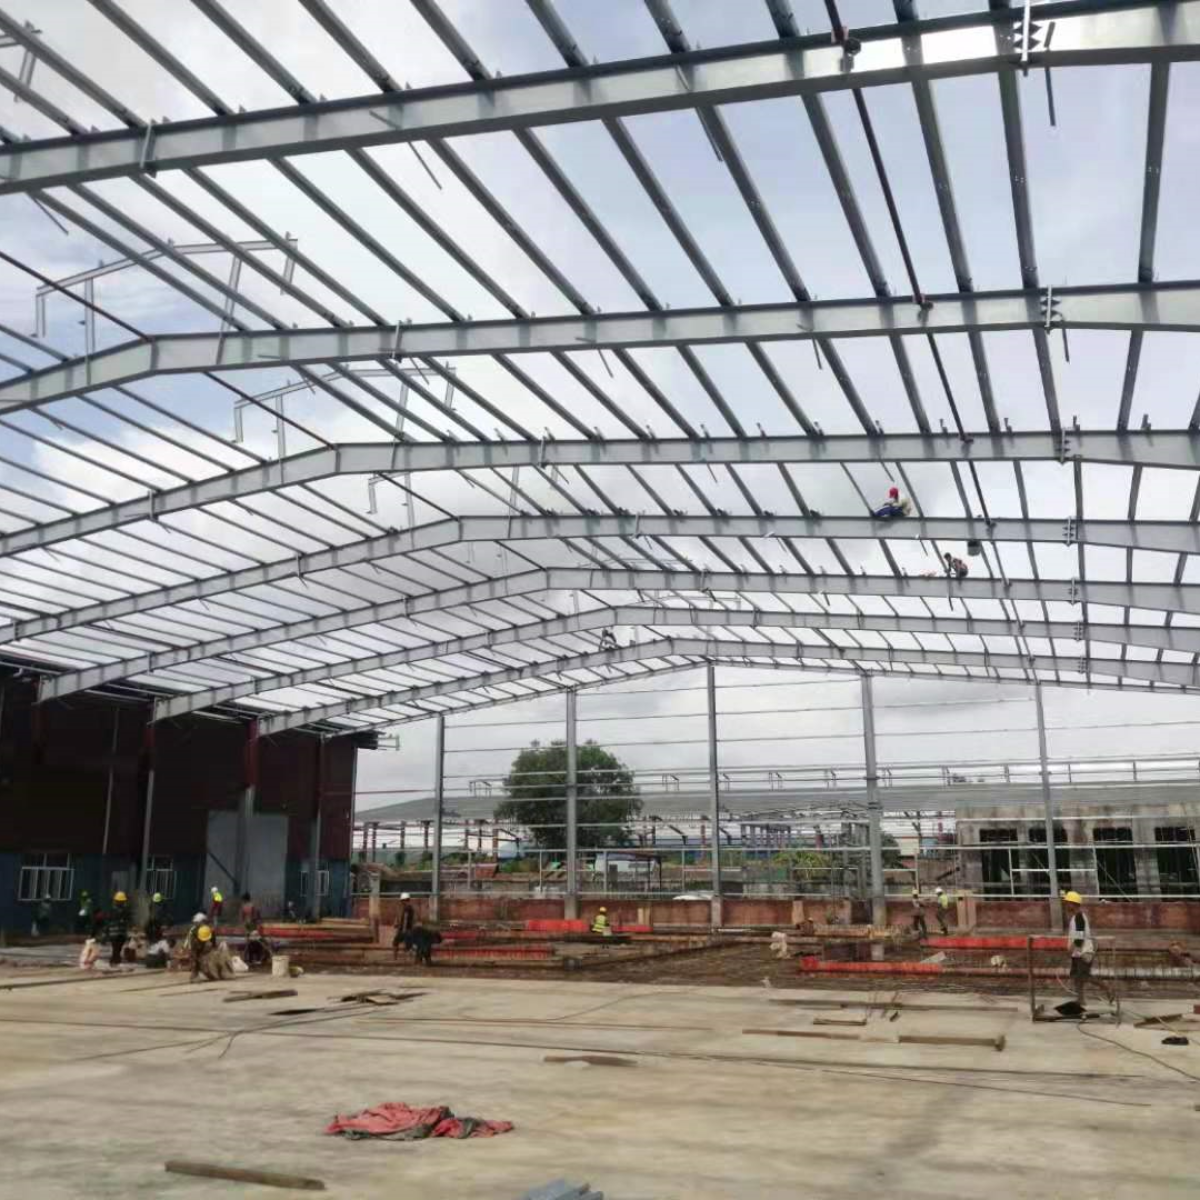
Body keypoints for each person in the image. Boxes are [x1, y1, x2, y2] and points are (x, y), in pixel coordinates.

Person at [1063, 890, 1097, 1008]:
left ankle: (1107, 990)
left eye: (1068, 903)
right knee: (1077, 976)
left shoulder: (1079, 917)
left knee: (1083, 977)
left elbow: (1079, 937)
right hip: (1078, 953)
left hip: (1083, 952)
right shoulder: (1076, 917)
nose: (1066, 905)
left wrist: (1070, 948)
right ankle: (1080, 1000)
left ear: (1073, 904)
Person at [104, 891, 132, 968]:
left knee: (118, 948)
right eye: (121, 901)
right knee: (116, 948)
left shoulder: (124, 910)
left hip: (120, 933)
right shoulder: (114, 910)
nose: (122, 903)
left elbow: (128, 921)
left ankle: (115, 961)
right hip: (115, 933)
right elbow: (108, 921)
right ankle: (114, 961)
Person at [392, 894, 416, 962]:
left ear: (404, 900)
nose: (401, 903)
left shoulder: (407, 908)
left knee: (395, 942)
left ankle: (395, 958)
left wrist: (403, 929)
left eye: (402, 901)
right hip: (408, 929)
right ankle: (409, 959)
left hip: (405, 930)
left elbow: (405, 919)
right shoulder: (410, 908)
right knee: (408, 945)